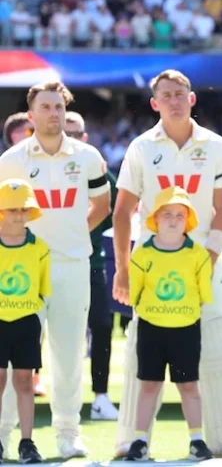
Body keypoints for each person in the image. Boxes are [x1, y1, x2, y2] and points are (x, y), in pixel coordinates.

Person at [112, 69, 222, 458]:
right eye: (166, 95)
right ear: (155, 103)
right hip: (152, 266)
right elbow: (122, 213)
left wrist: (208, 259)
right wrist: (123, 269)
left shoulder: (215, 145)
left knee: (216, 348)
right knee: (142, 353)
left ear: (192, 98)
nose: (173, 100)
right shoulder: (141, 147)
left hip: (205, 259)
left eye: (179, 93)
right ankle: (132, 440)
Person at [0, 82, 111, 459]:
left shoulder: (87, 156)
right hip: (21, 270)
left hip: (70, 265)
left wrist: (75, 235)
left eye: (59, 107)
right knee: (12, 358)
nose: (53, 113)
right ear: (30, 114)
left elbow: (101, 204)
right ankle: (3, 436)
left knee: (69, 353)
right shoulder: (11, 160)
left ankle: (67, 434)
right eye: (45, 107)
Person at [124, 186, 214, 461]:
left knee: (189, 386)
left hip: (186, 329)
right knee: (149, 385)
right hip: (151, 328)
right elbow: (135, 294)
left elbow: (203, 295)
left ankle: (197, 440)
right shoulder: (142, 254)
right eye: (167, 214)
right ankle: (139, 441)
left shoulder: (198, 254)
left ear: (188, 220)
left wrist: (181, 313)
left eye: (179, 215)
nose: (173, 220)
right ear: (155, 218)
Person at [62, 111, 121, 420]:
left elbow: (118, 209)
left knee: (101, 325)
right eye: (66, 132)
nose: (71, 138)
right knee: (41, 330)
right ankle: (29, 395)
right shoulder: (44, 167)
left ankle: (100, 396)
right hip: (48, 261)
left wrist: (89, 234)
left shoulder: (96, 168)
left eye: (76, 133)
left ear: (84, 137)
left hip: (90, 260)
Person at [0, 179, 48, 464]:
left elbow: (42, 288)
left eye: (23, 209)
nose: (18, 215)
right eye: (11, 209)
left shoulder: (39, 247)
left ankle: (27, 443)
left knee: (24, 380)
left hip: (26, 322)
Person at [0, 113, 43, 398]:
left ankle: (35, 377)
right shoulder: (6, 165)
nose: (30, 137)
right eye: (26, 132)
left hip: (35, 255)